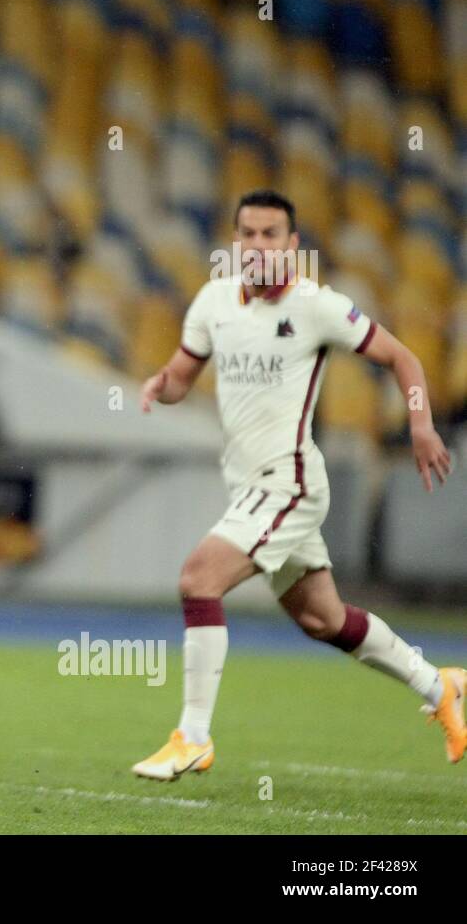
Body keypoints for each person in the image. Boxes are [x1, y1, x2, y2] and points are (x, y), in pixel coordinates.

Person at [132, 189, 461, 781]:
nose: (258, 245)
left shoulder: (318, 307)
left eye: (270, 235)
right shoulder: (212, 302)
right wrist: (161, 384)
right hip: (249, 488)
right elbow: (184, 375)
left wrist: (419, 422)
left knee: (198, 578)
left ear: (292, 245)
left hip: (290, 483)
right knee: (323, 621)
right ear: (235, 243)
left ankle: (193, 737)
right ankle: (439, 686)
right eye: (248, 234)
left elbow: (404, 358)